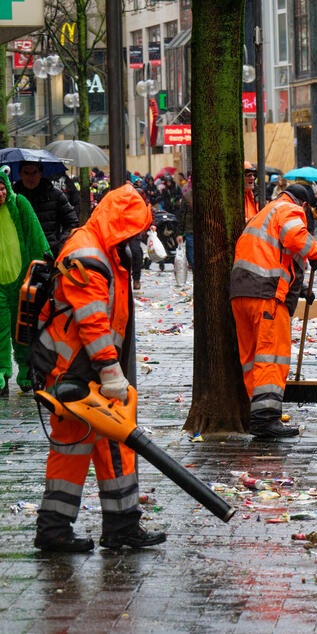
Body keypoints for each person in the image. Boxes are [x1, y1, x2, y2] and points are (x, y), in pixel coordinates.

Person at [32, 184, 166, 552]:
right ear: (120, 222)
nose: (136, 235)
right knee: (76, 448)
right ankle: (59, 530)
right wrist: (111, 373)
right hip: (75, 374)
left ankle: (114, 527)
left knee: (107, 447)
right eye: (133, 227)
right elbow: (92, 321)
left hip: (81, 371)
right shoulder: (89, 255)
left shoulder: (101, 249)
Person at [230, 183, 317, 439]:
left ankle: (257, 413)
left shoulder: (264, 213)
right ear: (303, 204)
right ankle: (265, 420)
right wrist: (316, 253)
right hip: (266, 297)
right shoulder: (288, 210)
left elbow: (272, 257)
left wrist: (299, 288)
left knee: (252, 358)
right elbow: (295, 238)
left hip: (241, 293)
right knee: (271, 356)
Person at [0, 166, 50, 396]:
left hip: (21, 279)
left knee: (22, 327)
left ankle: (25, 369)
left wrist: (45, 263)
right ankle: (2, 371)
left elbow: (36, 235)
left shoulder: (20, 205)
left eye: (2, 188)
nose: (0, 194)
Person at [13, 162, 79, 257]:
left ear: (40, 174)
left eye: (34, 172)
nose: (30, 177)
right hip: (20, 254)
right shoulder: (12, 197)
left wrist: (59, 244)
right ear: (20, 174)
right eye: (26, 173)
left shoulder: (56, 195)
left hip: (50, 254)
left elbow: (72, 223)